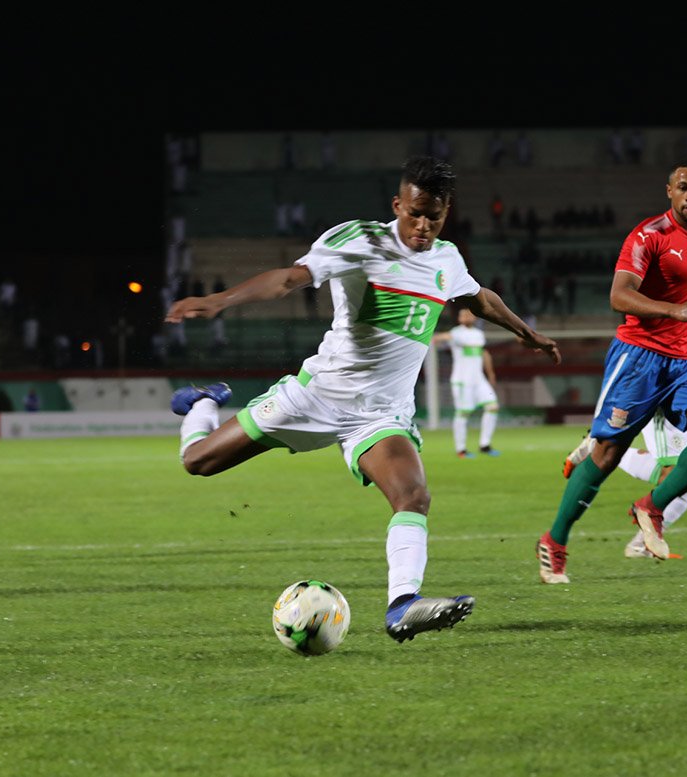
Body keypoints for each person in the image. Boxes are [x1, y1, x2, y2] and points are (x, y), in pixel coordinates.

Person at [166, 156, 561, 642]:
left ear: (446, 212)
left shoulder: (447, 258)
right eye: (414, 213)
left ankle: (402, 605)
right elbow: (290, 279)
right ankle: (204, 404)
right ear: (397, 205)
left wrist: (528, 334)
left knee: (413, 495)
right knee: (197, 462)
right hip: (316, 397)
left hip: (379, 415)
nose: (422, 226)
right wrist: (218, 301)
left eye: (433, 216)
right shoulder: (360, 241)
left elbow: (479, 298)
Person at [536, 158, 687, 585]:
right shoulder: (648, 235)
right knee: (607, 455)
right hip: (638, 358)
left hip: (683, 362)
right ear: (669, 192)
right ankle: (554, 541)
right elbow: (619, 296)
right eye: (683, 188)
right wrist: (676, 310)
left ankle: (651, 506)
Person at [562, 282, 687, 558]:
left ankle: (639, 539)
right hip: (663, 383)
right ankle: (639, 543)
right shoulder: (669, 285)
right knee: (674, 473)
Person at [433, 307, 502, 458]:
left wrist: (490, 373)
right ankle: (461, 449)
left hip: (478, 378)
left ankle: (485, 445)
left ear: (475, 317)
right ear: (459, 318)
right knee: (463, 413)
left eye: (469, 314)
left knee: (493, 406)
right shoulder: (456, 333)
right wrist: (434, 338)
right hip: (462, 380)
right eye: (462, 314)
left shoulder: (479, 334)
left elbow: (484, 353)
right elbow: (444, 336)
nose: (466, 316)